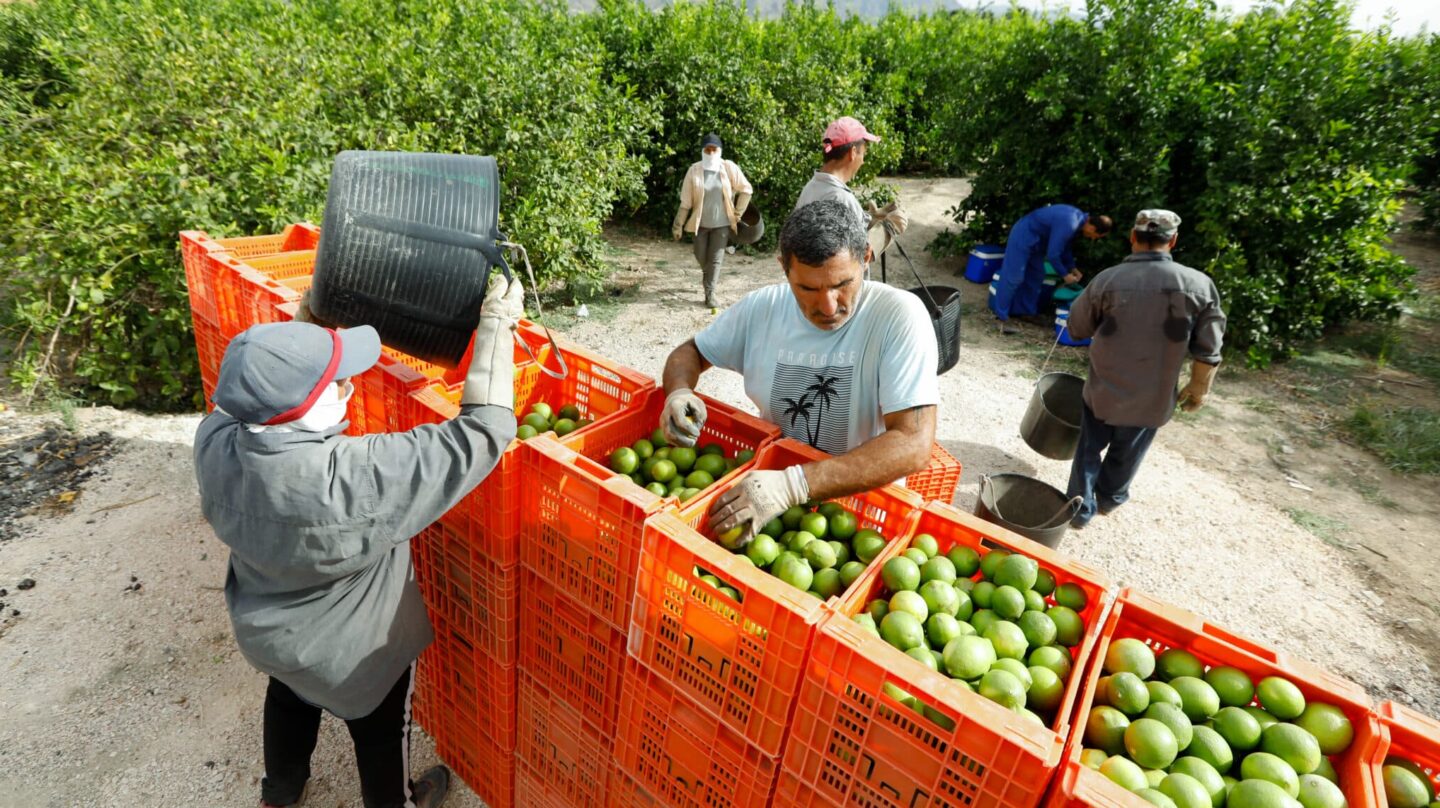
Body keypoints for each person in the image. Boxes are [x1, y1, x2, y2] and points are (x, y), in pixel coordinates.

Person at [193, 274, 526, 808]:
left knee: (289, 696)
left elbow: (255, 399)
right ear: (308, 407)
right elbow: (484, 430)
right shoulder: (355, 477)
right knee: (378, 735)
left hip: (270, 636)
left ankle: (279, 793)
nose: (348, 384)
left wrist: (305, 334)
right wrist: (497, 326)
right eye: (337, 380)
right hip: (355, 659)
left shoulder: (214, 444)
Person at [659, 199, 939, 543]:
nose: (828, 306)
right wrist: (679, 391)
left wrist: (795, 485)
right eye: (808, 288)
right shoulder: (763, 308)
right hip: (765, 504)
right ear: (784, 268)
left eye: (842, 284)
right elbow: (691, 352)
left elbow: (913, 442)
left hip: (862, 516)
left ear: (866, 257)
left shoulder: (898, 316)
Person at [1063, 210, 1226, 529]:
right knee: (1129, 450)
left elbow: (1077, 328)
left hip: (1102, 392)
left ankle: (1080, 508)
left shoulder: (1109, 279)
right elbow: (1209, 348)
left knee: (1088, 449)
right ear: (1173, 240)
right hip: (1152, 399)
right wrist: (1198, 388)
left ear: (1132, 237)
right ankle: (1109, 498)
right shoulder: (1199, 285)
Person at [794, 116, 907, 256]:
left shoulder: (811, 187)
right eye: (863, 153)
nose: (863, 161)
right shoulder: (842, 199)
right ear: (853, 152)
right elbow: (856, 258)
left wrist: (867, 218)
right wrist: (889, 228)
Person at [990, 204, 1112, 332]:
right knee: (1014, 276)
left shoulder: (1077, 220)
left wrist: (1072, 268)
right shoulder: (1070, 222)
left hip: (1038, 243)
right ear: (1092, 227)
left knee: (1037, 275)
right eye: (1095, 235)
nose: (1093, 238)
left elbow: (1065, 247)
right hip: (1024, 235)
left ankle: (1025, 312)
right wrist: (1064, 275)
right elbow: (1053, 254)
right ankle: (1001, 318)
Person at [672, 133, 754, 308]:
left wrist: (738, 212)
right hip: (700, 224)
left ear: (719, 151)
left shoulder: (728, 167)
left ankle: (710, 294)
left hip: (722, 225)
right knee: (700, 255)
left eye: (714, 149)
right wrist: (678, 226)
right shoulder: (694, 170)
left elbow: (746, 189)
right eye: (707, 149)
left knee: (716, 260)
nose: (710, 153)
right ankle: (708, 276)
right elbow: (685, 202)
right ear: (703, 151)